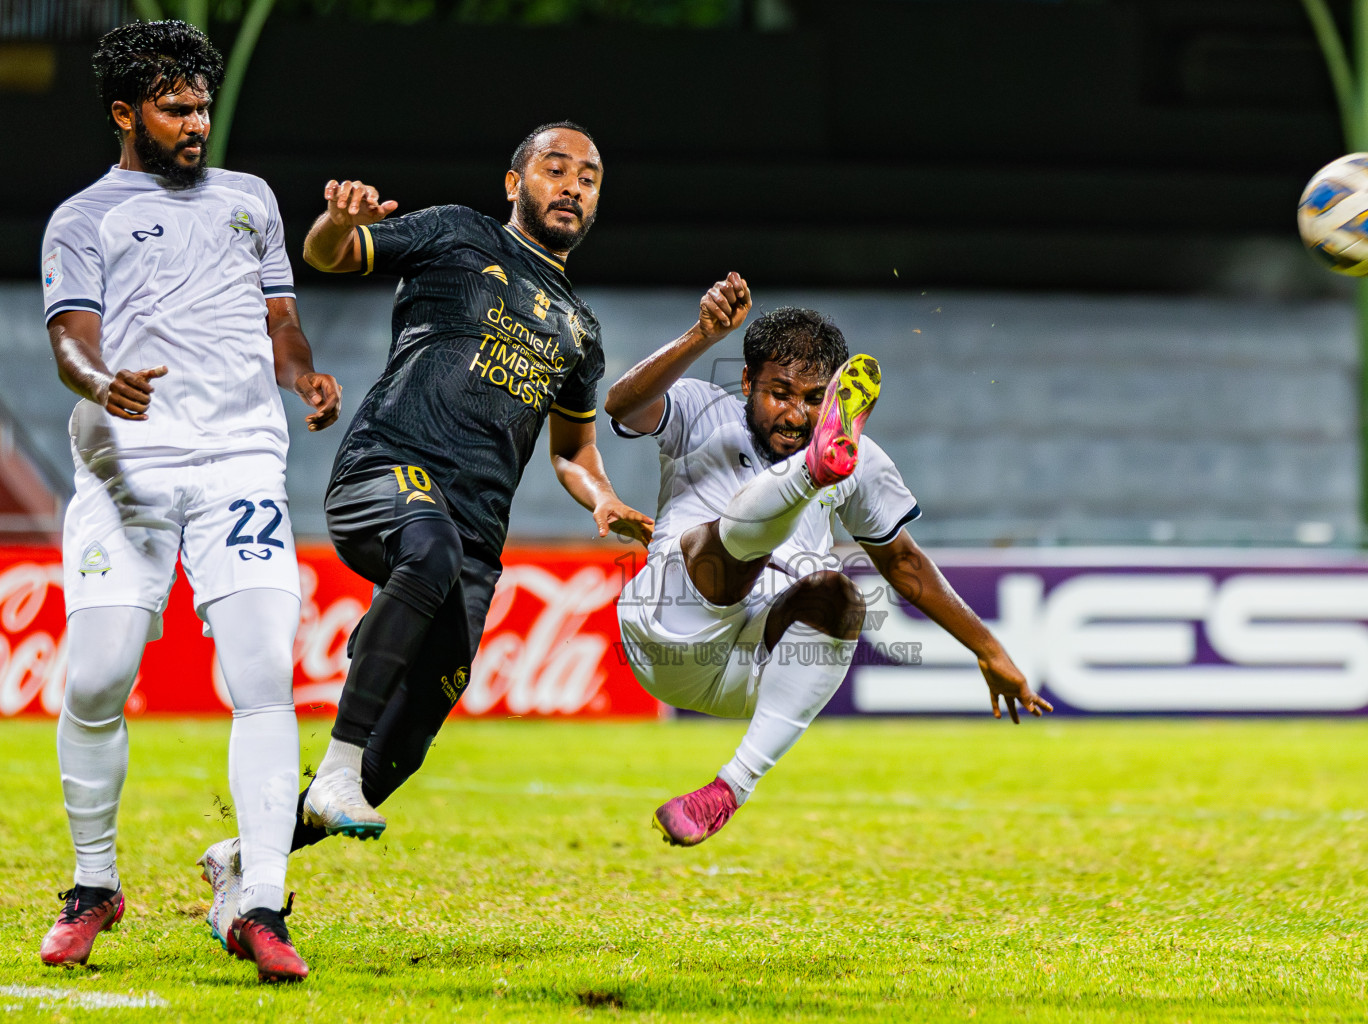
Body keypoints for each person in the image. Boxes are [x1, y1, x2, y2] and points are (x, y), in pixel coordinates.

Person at [194, 121, 652, 923]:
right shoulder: (454, 232)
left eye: (590, 176)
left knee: (405, 744)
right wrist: (341, 218)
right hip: (385, 469)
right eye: (556, 168)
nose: (573, 186)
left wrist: (603, 498)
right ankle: (336, 763)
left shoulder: (580, 329)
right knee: (427, 546)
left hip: (476, 534)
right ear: (514, 182)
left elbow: (573, 447)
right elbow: (330, 254)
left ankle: (246, 855)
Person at [38, 21, 340, 981]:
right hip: (127, 469)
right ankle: (95, 885)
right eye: (175, 108)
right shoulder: (82, 218)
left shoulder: (250, 200)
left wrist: (301, 375)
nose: (196, 122)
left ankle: (258, 901)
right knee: (95, 677)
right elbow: (71, 339)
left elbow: (280, 317)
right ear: (126, 113)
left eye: (203, 105)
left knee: (262, 673)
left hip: (241, 463)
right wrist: (100, 383)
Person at [605, 276, 1052, 847]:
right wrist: (703, 334)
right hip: (669, 628)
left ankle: (729, 789)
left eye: (817, 398)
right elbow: (621, 404)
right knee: (716, 549)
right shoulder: (698, 406)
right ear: (745, 382)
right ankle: (814, 473)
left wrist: (989, 651)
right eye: (780, 392)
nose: (796, 414)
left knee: (841, 595)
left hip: (754, 668)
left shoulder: (864, 460)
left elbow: (904, 564)